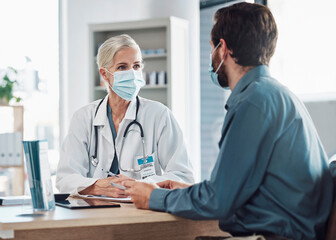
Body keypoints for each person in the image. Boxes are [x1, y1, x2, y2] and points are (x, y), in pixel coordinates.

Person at [123, 3, 333, 239]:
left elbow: (220, 201)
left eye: (212, 48)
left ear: (222, 49)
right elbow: (235, 191)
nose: (211, 57)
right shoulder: (275, 94)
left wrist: (154, 197)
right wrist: (194, 192)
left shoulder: (253, 103)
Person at [56, 34, 194, 198]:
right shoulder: (84, 118)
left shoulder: (159, 115)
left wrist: (140, 186)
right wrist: (98, 186)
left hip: (142, 210)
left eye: (136, 66)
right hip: (94, 213)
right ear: (105, 74)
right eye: (122, 67)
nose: (132, 73)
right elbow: (65, 178)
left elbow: (183, 176)